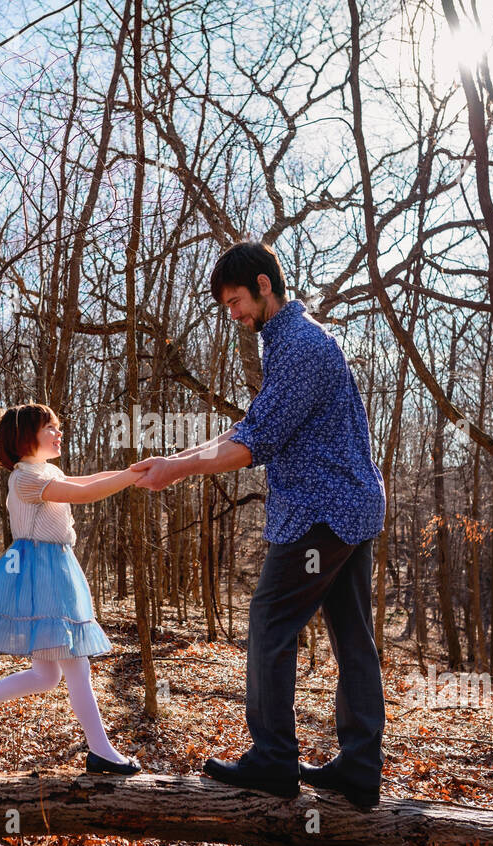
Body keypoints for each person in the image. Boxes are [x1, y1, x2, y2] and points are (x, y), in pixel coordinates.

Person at [131, 241, 386, 807]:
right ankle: (360, 769)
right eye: (227, 305)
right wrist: (178, 457)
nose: (234, 315)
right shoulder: (296, 341)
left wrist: (177, 470)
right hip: (350, 506)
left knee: (270, 620)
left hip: (324, 512)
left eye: (236, 300)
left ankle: (274, 760)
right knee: (352, 635)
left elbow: (255, 443)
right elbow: (250, 425)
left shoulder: (299, 346)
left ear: (265, 285)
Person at [0, 402, 142, 775]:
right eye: (51, 428)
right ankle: (102, 752)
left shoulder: (47, 471)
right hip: (43, 574)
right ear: (27, 436)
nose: (59, 433)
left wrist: (133, 471)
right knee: (77, 668)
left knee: (47, 676)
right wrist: (129, 478)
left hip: (54, 568)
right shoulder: (24, 478)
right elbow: (85, 494)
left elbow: (87, 480)